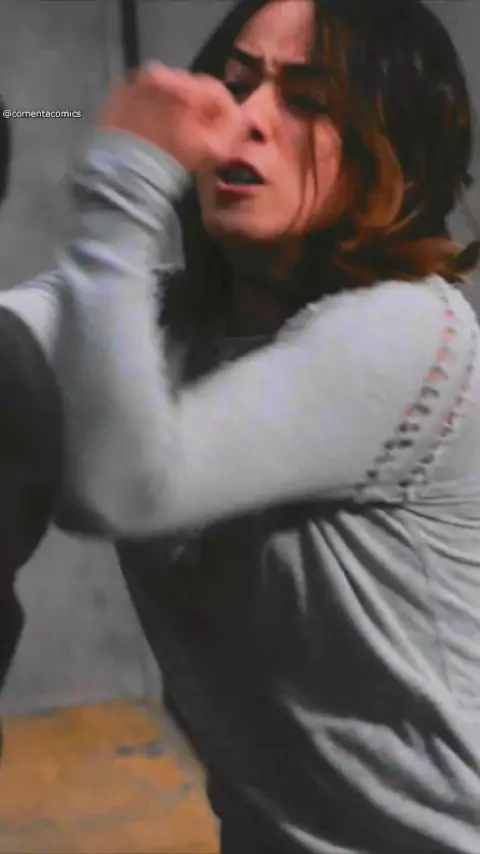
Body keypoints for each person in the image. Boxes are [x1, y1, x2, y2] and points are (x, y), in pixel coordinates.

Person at [2, 0, 480, 851]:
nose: (246, 120)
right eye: (234, 85)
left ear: (392, 143)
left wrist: (126, 183)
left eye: (308, 99)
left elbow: (128, 487)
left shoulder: (412, 332)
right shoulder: (157, 319)